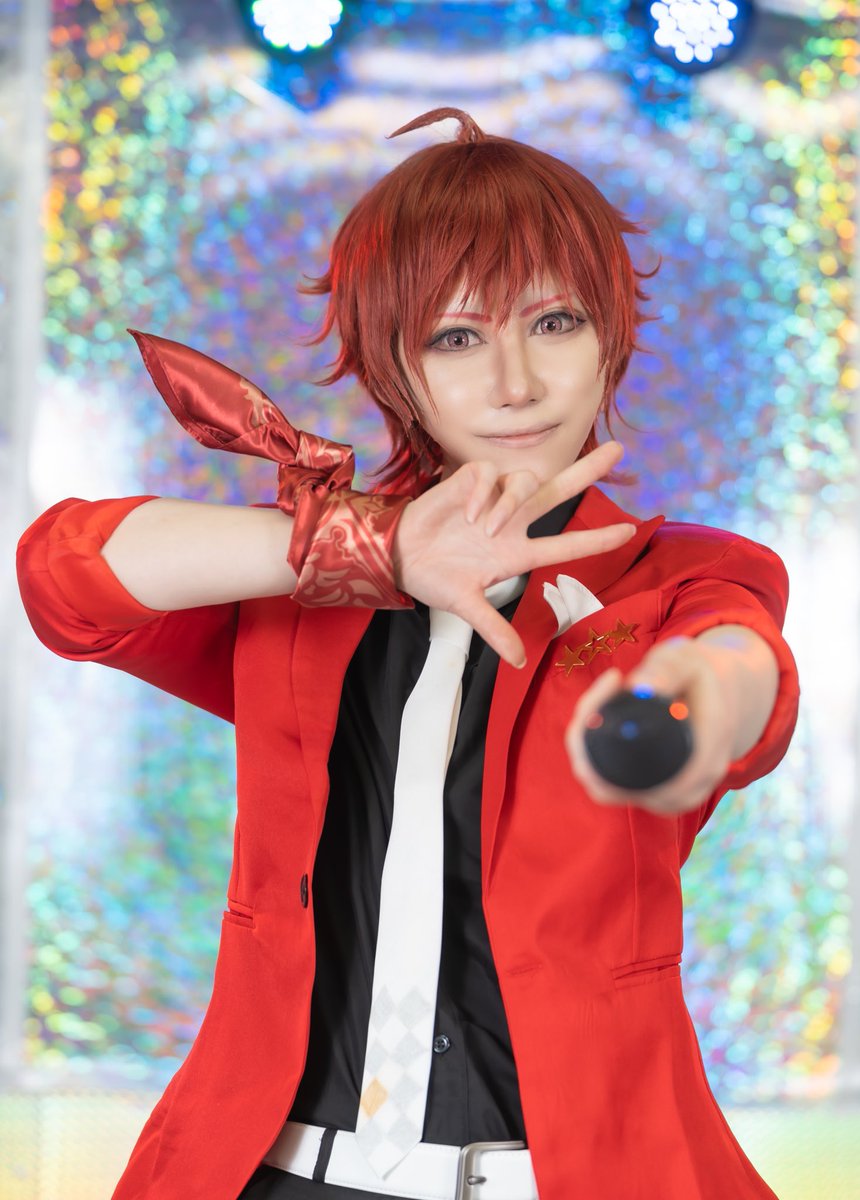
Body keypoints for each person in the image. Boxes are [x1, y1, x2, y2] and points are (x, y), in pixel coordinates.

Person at [17, 108, 799, 1200]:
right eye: (456, 337)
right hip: (277, 1173)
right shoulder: (301, 592)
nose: (515, 383)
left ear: (610, 336)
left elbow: (744, 666)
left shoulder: (674, 576)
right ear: (396, 364)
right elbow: (66, 578)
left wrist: (691, 704)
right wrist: (372, 551)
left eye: (555, 322)